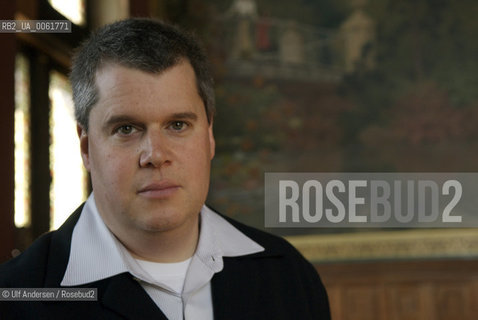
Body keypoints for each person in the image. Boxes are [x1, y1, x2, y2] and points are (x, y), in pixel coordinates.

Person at [0, 18, 330, 319]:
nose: (156, 155)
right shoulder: (15, 300)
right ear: (86, 147)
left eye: (177, 125)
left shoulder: (289, 276)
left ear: (210, 135)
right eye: (126, 129)